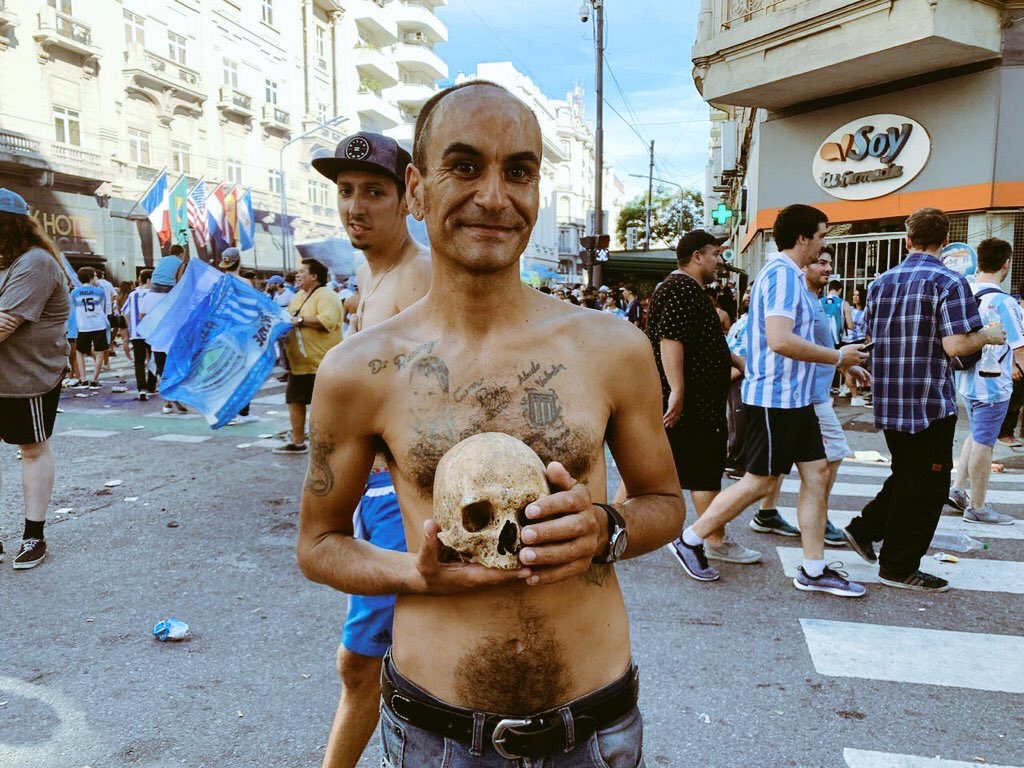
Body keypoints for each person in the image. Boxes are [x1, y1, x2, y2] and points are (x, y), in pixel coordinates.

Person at [297, 80, 685, 766]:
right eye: (466, 166)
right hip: (438, 737)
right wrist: (416, 576)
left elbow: (665, 504)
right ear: (416, 187)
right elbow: (320, 543)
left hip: (594, 733)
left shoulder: (610, 348)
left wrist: (606, 528)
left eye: (519, 171)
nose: (495, 198)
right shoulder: (361, 371)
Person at [669, 204, 869, 597]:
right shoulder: (781, 276)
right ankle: (691, 539)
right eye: (823, 235)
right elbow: (779, 339)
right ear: (803, 238)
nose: (825, 245)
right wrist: (837, 358)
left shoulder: (790, 276)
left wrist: (841, 364)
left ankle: (813, 569)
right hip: (775, 399)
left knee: (818, 474)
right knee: (759, 482)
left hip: (796, 400)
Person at [308, 130, 431, 768]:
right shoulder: (366, 274)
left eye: (374, 192)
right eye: (346, 191)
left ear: (408, 196)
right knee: (372, 662)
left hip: (398, 495)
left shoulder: (421, 281)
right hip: (370, 490)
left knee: (361, 663)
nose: (356, 205)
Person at [843, 208, 1006, 592]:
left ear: (908, 240)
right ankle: (898, 566)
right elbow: (955, 344)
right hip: (927, 399)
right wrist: (988, 336)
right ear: (945, 242)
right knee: (928, 486)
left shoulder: (882, 282)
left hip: (887, 396)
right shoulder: (949, 281)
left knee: (908, 472)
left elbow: (865, 337)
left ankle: (863, 530)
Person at [641, 229, 754, 566]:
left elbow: (705, 341)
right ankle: (715, 538)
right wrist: (677, 390)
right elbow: (670, 340)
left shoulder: (688, 289)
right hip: (694, 404)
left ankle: (616, 527)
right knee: (704, 472)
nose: (720, 262)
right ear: (697, 256)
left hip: (695, 401)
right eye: (716, 254)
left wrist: (736, 362)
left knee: (651, 468)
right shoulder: (680, 288)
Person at [749, 248, 869, 546]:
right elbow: (788, 342)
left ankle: (769, 515)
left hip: (809, 392)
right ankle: (817, 520)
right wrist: (841, 358)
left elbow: (817, 344)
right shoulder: (794, 293)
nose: (827, 268)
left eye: (830, 263)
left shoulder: (813, 300)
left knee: (780, 466)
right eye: (820, 262)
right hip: (805, 393)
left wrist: (847, 364)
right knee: (832, 454)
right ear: (804, 265)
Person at [0, 188, 71, 569]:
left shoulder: (35, 263)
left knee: (32, 449)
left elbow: (5, 322)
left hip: (26, 376)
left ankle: (33, 537)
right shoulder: (5, 262)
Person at [946, 238, 1022, 525]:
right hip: (992, 384)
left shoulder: (964, 292)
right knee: (984, 442)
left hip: (965, 380)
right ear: (1006, 264)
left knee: (976, 434)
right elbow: (1020, 348)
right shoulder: (1004, 302)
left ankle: (958, 489)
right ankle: (977, 507)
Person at [275, 257, 343, 454]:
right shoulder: (298, 296)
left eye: (302, 271)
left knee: (325, 407)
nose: (297, 275)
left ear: (314, 276)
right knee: (294, 400)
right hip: (299, 364)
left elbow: (326, 321)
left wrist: (301, 320)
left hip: (321, 363)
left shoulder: (326, 295)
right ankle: (298, 442)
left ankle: (330, 443)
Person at [139, 255, 188, 415]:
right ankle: (171, 397)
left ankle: (167, 401)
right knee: (175, 369)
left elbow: (142, 317)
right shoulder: (175, 297)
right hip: (173, 339)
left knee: (162, 369)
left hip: (157, 340)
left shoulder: (149, 296)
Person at [218, 247, 260, 425]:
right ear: (239, 262)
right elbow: (251, 309)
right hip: (242, 333)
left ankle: (225, 412)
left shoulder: (219, 282)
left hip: (223, 333)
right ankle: (243, 413)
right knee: (243, 373)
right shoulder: (245, 282)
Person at [69, 266, 111, 390]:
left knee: (80, 351)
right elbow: (103, 308)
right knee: (99, 352)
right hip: (99, 324)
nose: (96, 278)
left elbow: (74, 309)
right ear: (91, 277)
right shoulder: (100, 291)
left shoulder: (74, 292)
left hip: (83, 325)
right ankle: (94, 379)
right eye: (95, 275)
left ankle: (83, 378)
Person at [122, 269, 155, 401]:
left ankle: (142, 388)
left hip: (136, 332)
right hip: (152, 331)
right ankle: (152, 385)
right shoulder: (154, 294)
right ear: (149, 280)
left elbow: (125, 312)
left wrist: (130, 326)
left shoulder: (133, 295)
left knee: (139, 361)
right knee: (153, 359)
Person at [842, 286, 870, 406]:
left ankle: (853, 393)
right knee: (846, 368)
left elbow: (868, 329)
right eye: (854, 294)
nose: (855, 297)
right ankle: (851, 389)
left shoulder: (865, 311)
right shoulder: (850, 309)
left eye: (858, 295)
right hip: (846, 340)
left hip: (859, 341)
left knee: (850, 369)